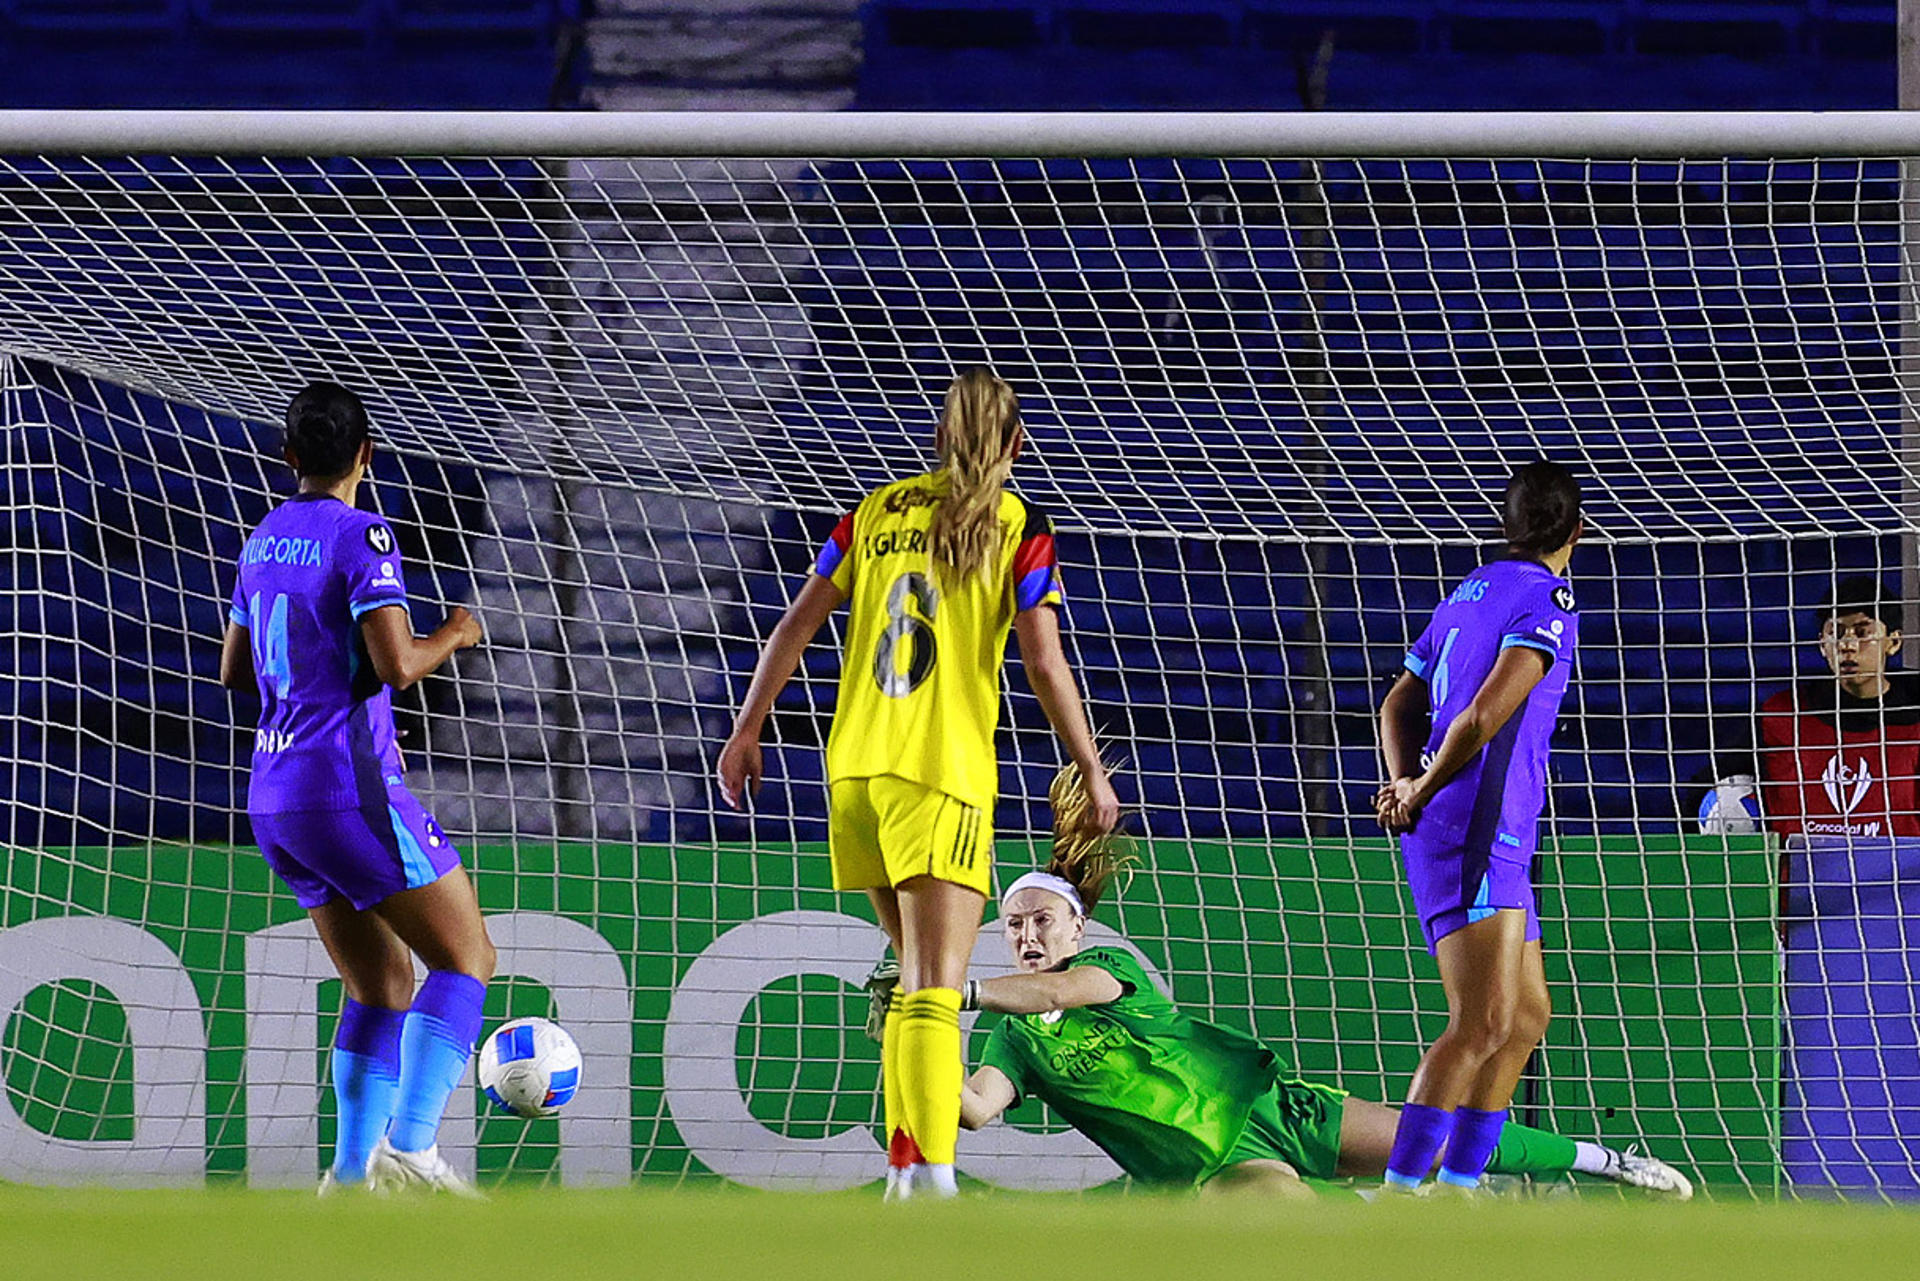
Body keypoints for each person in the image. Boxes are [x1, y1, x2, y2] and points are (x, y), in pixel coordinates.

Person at [717, 366, 1118, 1199]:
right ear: (1014, 443)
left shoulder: (874, 511)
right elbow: (1042, 660)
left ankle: (908, 1165)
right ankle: (931, 1172)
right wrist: (1086, 763)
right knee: (937, 985)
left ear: (939, 437)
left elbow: (797, 620)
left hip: (855, 772)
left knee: (912, 980)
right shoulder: (1018, 524)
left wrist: (748, 726)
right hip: (940, 774)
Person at [929, 765, 1691, 1199]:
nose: (1026, 935)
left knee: (1432, 1144)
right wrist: (917, 1038)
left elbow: (1061, 993)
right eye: (1014, 923)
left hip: (1274, 1103)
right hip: (1218, 1164)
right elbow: (972, 1110)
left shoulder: (1109, 970)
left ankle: (1604, 1159)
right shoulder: (1012, 1036)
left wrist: (951, 990)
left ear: (1074, 927)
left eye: (1039, 921)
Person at [220, 381, 493, 1194]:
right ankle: (409, 1147)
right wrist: (458, 630)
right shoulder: (359, 532)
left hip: (274, 794)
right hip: (346, 788)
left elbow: (234, 668)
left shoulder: (263, 536)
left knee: (380, 983)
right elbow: (397, 666)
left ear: (289, 454)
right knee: (467, 956)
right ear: (367, 455)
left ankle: (346, 1175)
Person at [1371, 460, 1582, 1193]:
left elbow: (1397, 700)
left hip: (1470, 821)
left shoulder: (1467, 592)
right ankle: (1400, 1200)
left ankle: (1461, 1190)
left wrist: (1401, 781)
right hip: (1474, 824)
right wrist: (1420, 787)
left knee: (1525, 1015)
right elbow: (1483, 717)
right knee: (1480, 1022)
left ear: (1504, 523)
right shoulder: (1549, 600)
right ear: (1577, 532)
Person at [1754, 576, 1920, 841]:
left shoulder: (1914, 715)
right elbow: (1709, 786)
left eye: (1863, 632)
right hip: (1802, 878)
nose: (1847, 645)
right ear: (1823, 644)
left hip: (1902, 879)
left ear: (1894, 642)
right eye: (1837, 633)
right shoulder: (1782, 715)